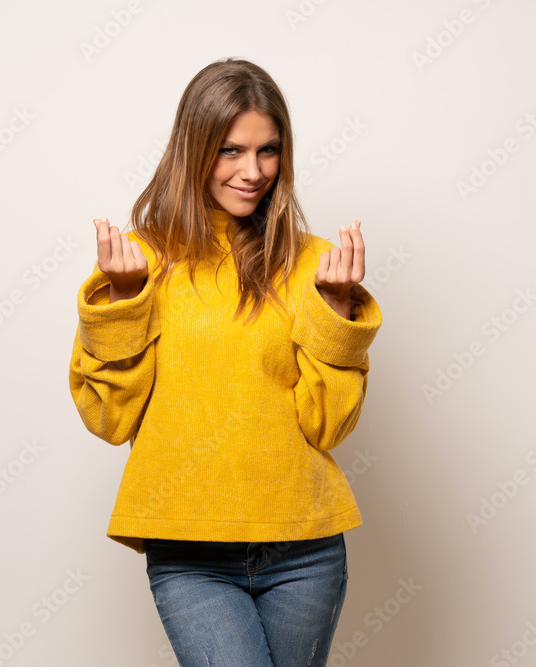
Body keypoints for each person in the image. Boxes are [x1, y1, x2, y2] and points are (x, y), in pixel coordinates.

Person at [69, 57, 382, 666]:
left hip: (305, 548)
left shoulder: (314, 264)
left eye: (268, 151)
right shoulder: (139, 262)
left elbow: (327, 425)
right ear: (194, 149)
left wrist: (336, 309)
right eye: (231, 151)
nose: (253, 171)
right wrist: (122, 302)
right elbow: (109, 420)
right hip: (190, 553)